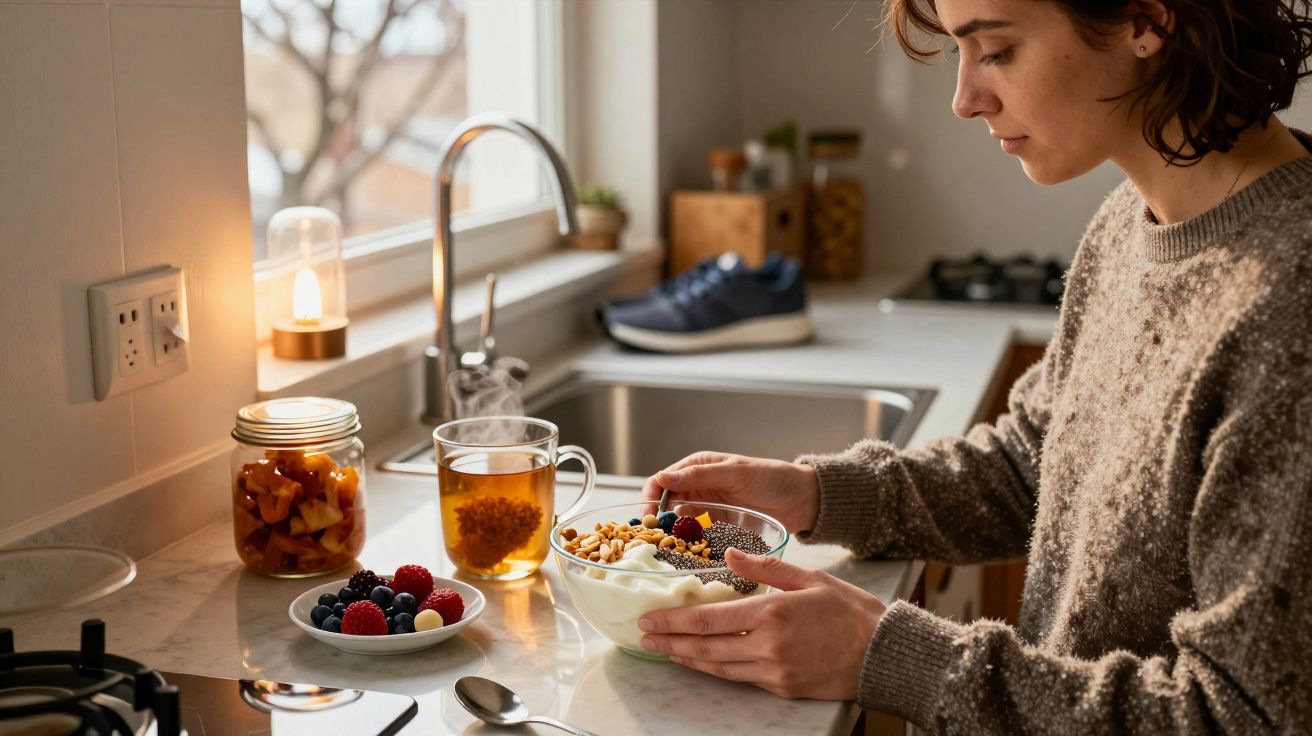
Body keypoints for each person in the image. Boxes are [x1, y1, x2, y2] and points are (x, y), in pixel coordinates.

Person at [637, 0, 1312, 731]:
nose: (964, 100)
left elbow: (1244, 715)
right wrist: (817, 495)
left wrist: (887, 654)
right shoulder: (1128, 224)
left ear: (1146, 22)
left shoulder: (1289, 307)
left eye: (994, 51)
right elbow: (1036, 464)